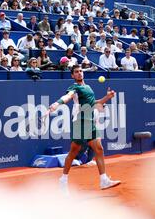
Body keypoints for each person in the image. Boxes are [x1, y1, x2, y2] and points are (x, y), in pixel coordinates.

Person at [48, 65, 121, 194]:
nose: (79, 73)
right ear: (72, 75)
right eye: (76, 72)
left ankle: (103, 180)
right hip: (80, 122)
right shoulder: (74, 87)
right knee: (74, 151)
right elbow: (68, 96)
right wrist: (57, 103)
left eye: (81, 71)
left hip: (90, 121)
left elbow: (95, 104)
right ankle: (63, 180)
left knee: (99, 149)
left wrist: (107, 97)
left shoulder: (88, 87)